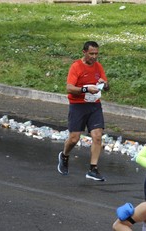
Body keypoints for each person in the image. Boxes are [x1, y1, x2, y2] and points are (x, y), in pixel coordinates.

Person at [58, 40, 109, 181]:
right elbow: (69, 88)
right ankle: (64, 155)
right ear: (84, 52)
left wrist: (104, 85)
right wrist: (86, 88)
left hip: (94, 105)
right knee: (74, 138)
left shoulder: (98, 67)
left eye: (96, 54)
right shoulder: (76, 67)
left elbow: (107, 85)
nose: (94, 57)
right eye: (91, 53)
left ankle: (93, 169)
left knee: (97, 136)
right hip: (78, 105)